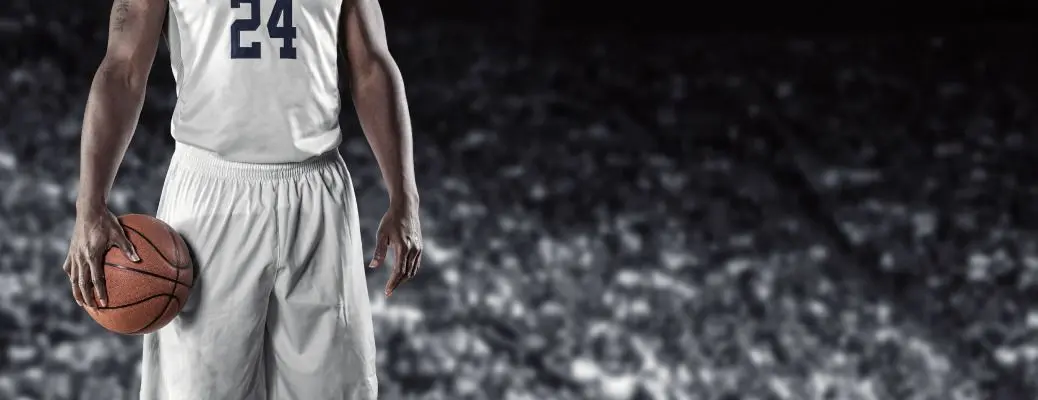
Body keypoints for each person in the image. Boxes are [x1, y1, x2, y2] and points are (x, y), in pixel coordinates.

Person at [61, 0, 422, 397]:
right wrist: (89, 204)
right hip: (211, 191)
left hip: (317, 190)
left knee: (337, 390)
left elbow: (371, 66)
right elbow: (123, 69)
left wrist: (405, 197)